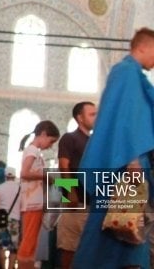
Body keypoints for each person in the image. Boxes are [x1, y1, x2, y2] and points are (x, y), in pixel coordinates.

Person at [73, 28, 154, 269]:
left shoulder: (133, 76)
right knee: (114, 230)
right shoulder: (126, 73)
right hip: (125, 168)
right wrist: (132, 161)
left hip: (126, 167)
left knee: (127, 231)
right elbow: (125, 120)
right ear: (143, 47)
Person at [56, 101, 96, 269]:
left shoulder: (93, 142)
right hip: (75, 202)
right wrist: (69, 190)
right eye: (92, 114)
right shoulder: (70, 138)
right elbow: (63, 165)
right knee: (70, 248)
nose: (96, 118)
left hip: (92, 202)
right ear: (80, 117)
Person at [17, 120, 60, 269]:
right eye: (51, 141)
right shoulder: (33, 150)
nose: (51, 145)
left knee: (32, 241)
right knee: (28, 242)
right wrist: (45, 176)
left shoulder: (34, 151)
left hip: (34, 202)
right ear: (43, 134)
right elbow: (25, 172)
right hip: (31, 203)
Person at [0, 167, 21, 269]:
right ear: (14, 176)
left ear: (5, 176)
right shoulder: (20, 188)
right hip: (15, 220)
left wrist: (1, 207)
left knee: (2, 247)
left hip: (1, 219)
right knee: (13, 248)